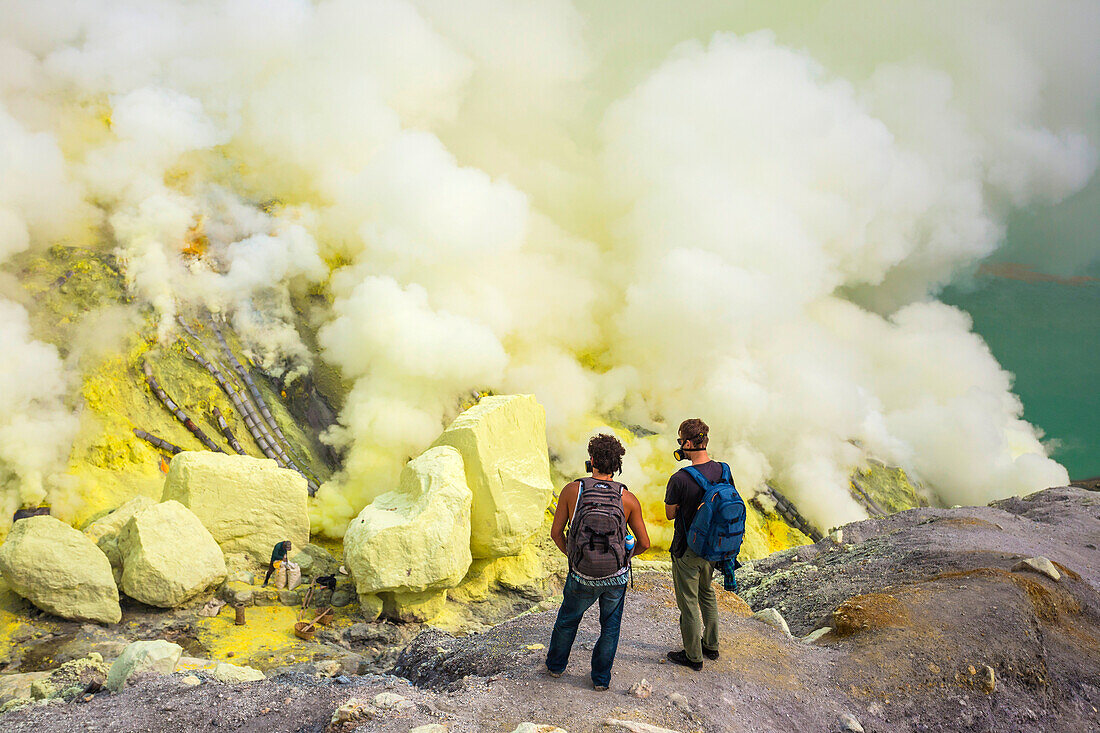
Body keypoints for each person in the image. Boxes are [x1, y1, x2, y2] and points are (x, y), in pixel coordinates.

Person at [546, 434, 650, 691]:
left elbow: (556, 532)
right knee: (610, 628)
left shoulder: (573, 490)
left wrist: (573, 556)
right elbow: (645, 543)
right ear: (617, 465)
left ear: (591, 460)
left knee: (568, 620)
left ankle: (556, 667)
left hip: (581, 573)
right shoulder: (627, 498)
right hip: (615, 577)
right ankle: (600, 680)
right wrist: (626, 557)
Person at [664, 418, 723, 670]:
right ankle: (711, 645)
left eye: (680, 442)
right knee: (707, 593)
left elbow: (669, 514)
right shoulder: (723, 470)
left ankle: (693, 656)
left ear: (688, 443)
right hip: (712, 547)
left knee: (688, 601)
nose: (680, 446)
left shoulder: (679, 478)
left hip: (687, 549)